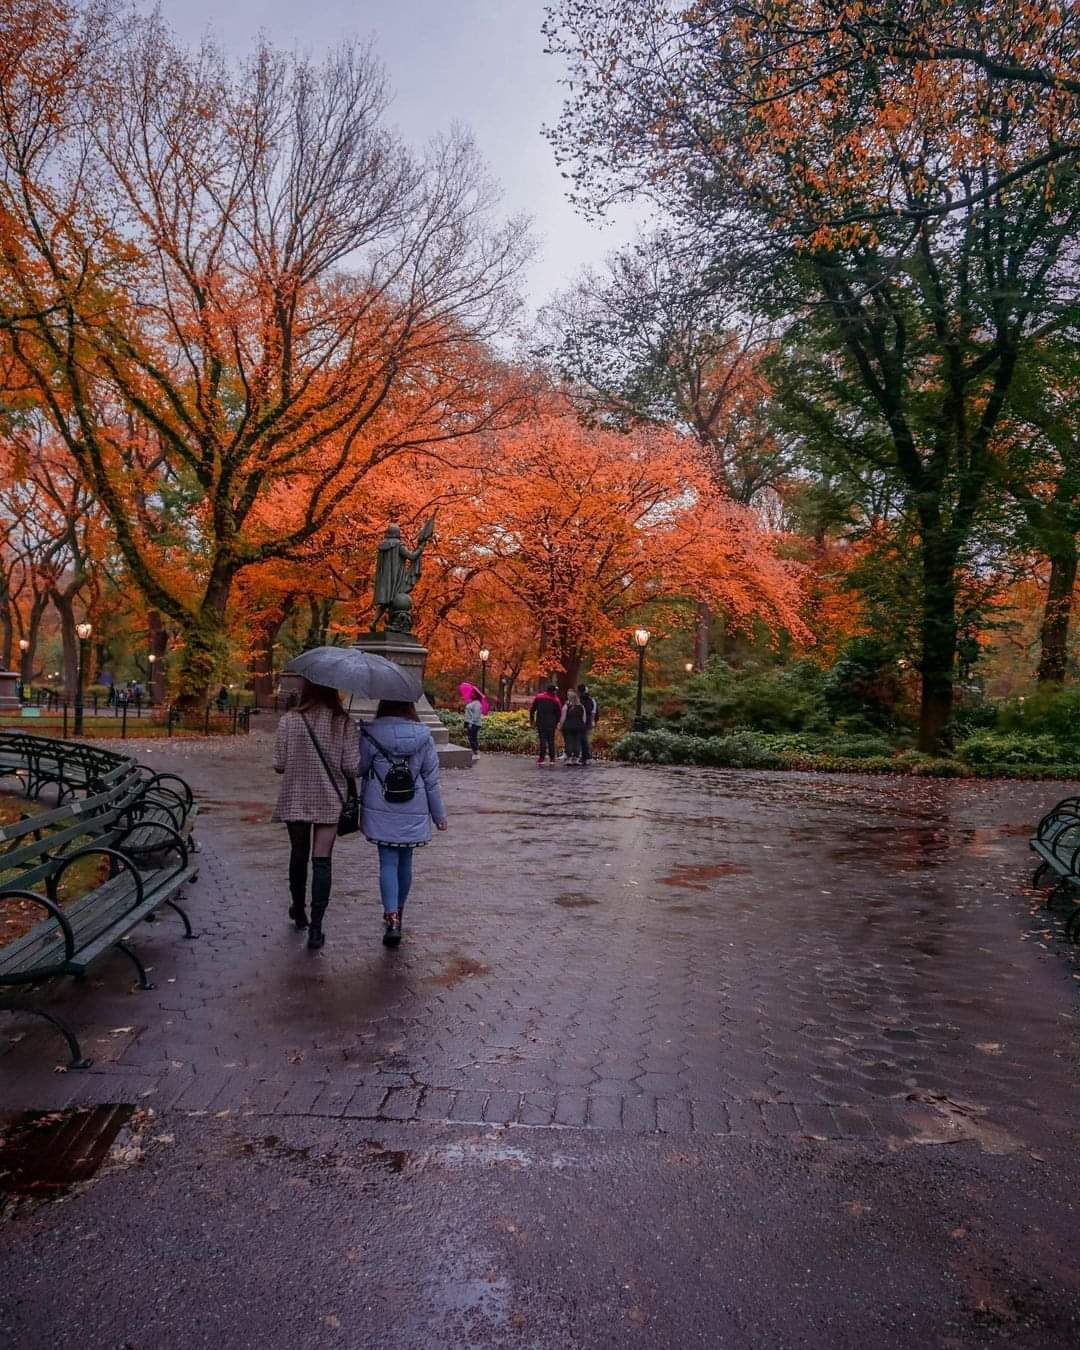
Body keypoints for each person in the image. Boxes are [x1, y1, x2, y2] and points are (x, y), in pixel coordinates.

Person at [272, 678, 360, 950]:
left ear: (307, 688)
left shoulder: (289, 720)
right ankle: (316, 929)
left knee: (298, 855)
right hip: (329, 799)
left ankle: (299, 911)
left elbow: (279, 764)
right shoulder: (343, 722)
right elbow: (351, 767)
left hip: (296, 797)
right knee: (322, 861)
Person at [360, 700, 447, 946]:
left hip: (381, 806)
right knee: (405, 861)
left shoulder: (371, 734)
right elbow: (431, 781)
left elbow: (359, 768)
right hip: (413, 807)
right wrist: (439, 816)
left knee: (387, 862)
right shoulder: (424, 737)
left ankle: (392, 918)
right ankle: (399, 911)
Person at [529, 684, 562, 764]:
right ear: (553, 691)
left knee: (542, 740)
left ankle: (541, 758)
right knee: (551, 740)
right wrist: (557, 722)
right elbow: (559, 713)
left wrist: (532, 720)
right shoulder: (556, 700)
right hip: (551, 723)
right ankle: (552, 759)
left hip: (540, 722)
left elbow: (532, 709)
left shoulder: (539, 697)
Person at [560, 689, 587, 764]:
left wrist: (561, 726)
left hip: (568, 727)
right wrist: (582, 725)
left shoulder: (566, 706)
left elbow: (563, 718)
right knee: (577, 742)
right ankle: (576, 758)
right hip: (579, 727)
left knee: (568, 742)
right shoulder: (581, 707)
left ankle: (569, 757)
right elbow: (584, 718)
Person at [578, 683, 598, 763]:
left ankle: (584, 755)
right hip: (588, 720)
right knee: (584, 738)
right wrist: (593, 721)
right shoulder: (591, 699)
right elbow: (594, 711)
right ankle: (585, 755)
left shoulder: (578, 699)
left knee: (581, 738)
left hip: (579, 720)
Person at [463, 686, 484, 759]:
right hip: (470, 722)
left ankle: (476, 753)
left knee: (472, 738)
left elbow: (476, 715)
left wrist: (471, 723)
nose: (471, 694)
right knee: (471, 738)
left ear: (476, 695)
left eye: (473, 693)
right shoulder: (473, 702)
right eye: (472, 693)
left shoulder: (477, 704)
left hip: (474, 724)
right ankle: (474, 751)